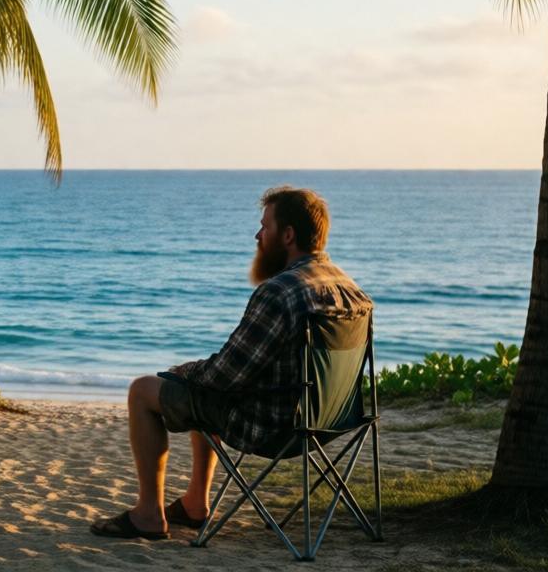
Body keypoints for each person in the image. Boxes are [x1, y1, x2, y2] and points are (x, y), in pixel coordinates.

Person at [90, 186, 373, 540]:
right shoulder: (353, 291)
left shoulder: (280, 292)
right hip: (332, 424)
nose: (257, 235)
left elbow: (225, 375)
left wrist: (182, 371)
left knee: (144, 390)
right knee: (202, 389)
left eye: (264, 227)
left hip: (272, 427)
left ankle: (148, 515)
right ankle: (195, 503)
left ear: (287, 235)